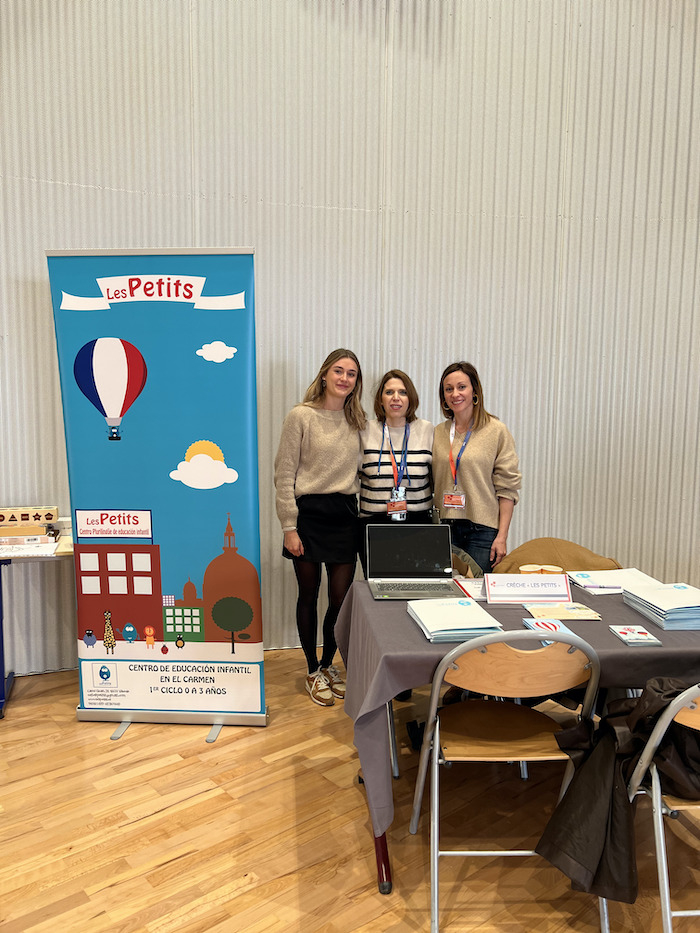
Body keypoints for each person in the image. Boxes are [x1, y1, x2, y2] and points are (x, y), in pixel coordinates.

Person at [274, 349, 366, 707]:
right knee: (308, 595)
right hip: (307, 515)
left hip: (345, 514)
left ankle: (329, 664)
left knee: (340, 600)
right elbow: (284, 475)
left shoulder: (358, 421)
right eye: (339, 371)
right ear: (325, 374)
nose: (345, 378)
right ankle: (312, 669)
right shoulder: (301, 416)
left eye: (352, 374)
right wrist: (288, 526)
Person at [432, 361, 521, 573]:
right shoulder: (437, 433)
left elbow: (507, 488)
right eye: (449, 389)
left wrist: (502, 536)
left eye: (462, 387)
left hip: (481, 531)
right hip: (443, 528)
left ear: (475, 391)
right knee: (442, 597)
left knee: (475, 597)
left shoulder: (496, 431)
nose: (455, 394)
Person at [358, 369, 434, 575]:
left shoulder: (428, 431)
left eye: (402, 392)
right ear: (380, 399)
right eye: (389, 392)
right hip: (374, 526)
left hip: (418, 525)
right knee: (379, 591)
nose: (396, 398)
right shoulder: (364, 431)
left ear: (411, 398)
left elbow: (437, 477)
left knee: (416, 591)